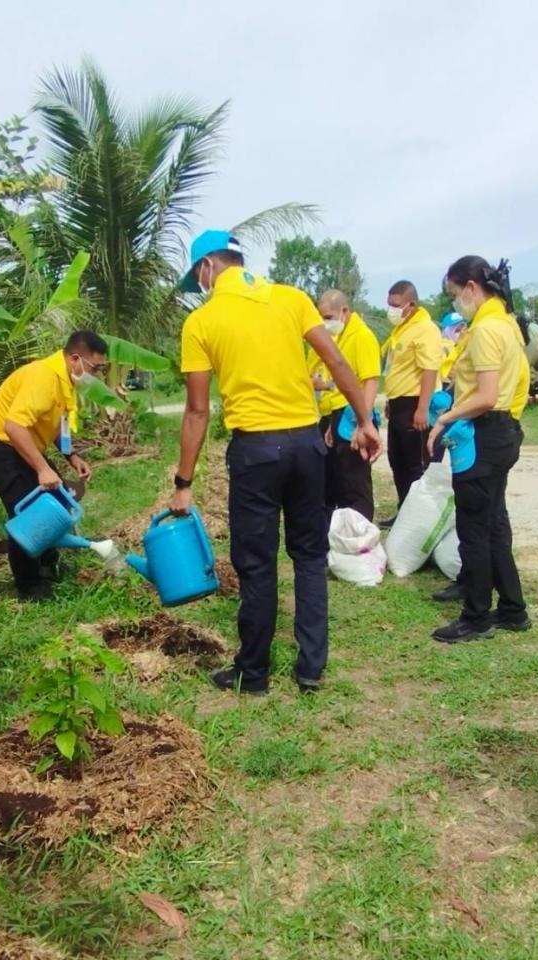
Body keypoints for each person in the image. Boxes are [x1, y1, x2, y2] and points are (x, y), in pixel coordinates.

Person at [170, 230, 381, 694]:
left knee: (257, 563)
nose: (200, 286)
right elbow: (337, 362)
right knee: (309, 555)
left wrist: (184, 482)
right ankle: (311, 668)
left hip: (256, 452)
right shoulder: (291, 298)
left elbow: (197, 410)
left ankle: (253, 673)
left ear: (208, 267)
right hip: (307, 445)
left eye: (198, 277)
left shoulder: (201, 322)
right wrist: (365, 421)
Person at [427, 256, 530, 643]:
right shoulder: (506, 324)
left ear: (471, 287)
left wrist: (445, 418)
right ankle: (513, 609)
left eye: (454, 294)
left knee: (474, 530)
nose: (455, 302)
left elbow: (486, 396)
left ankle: (476, 617)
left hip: (483, 433)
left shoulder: (486, 330)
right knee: (494, 524)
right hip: (502, 430)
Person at [0, 330, 108, 601]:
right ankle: (30, 586)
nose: (97, 375)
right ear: (75, 358)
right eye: (95, 368)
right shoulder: (43, 377)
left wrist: (72, 456)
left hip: (20, 444)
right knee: (30, 512)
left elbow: (58, 426)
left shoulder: (65, 380)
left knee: (58, 498)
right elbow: (13, 426)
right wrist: (42, 469)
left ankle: (48, 563)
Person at [309, 288, 381, 521]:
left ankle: (360, 534)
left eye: (328, 317)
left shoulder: (362, 336)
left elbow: (370, 381)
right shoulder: (337, 337)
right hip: (337, 414)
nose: (324, 323)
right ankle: (338, 532)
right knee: (335, 480)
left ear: (344, 311)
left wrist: (363, 423)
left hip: (352, 415)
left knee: (354, 484)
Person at [379, 280, 443, 524]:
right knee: (398, 462)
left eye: (395, 305)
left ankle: (419, 520)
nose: (391, 310)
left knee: (416, 464)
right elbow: (397, 368)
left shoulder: (425, 329)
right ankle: (404, 513)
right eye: (389, 304)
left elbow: (429, 370)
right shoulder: (402, 329)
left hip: (415, 403)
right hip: (398, 403)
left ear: (411, 304)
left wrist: (422, 408)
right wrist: (390, 399)